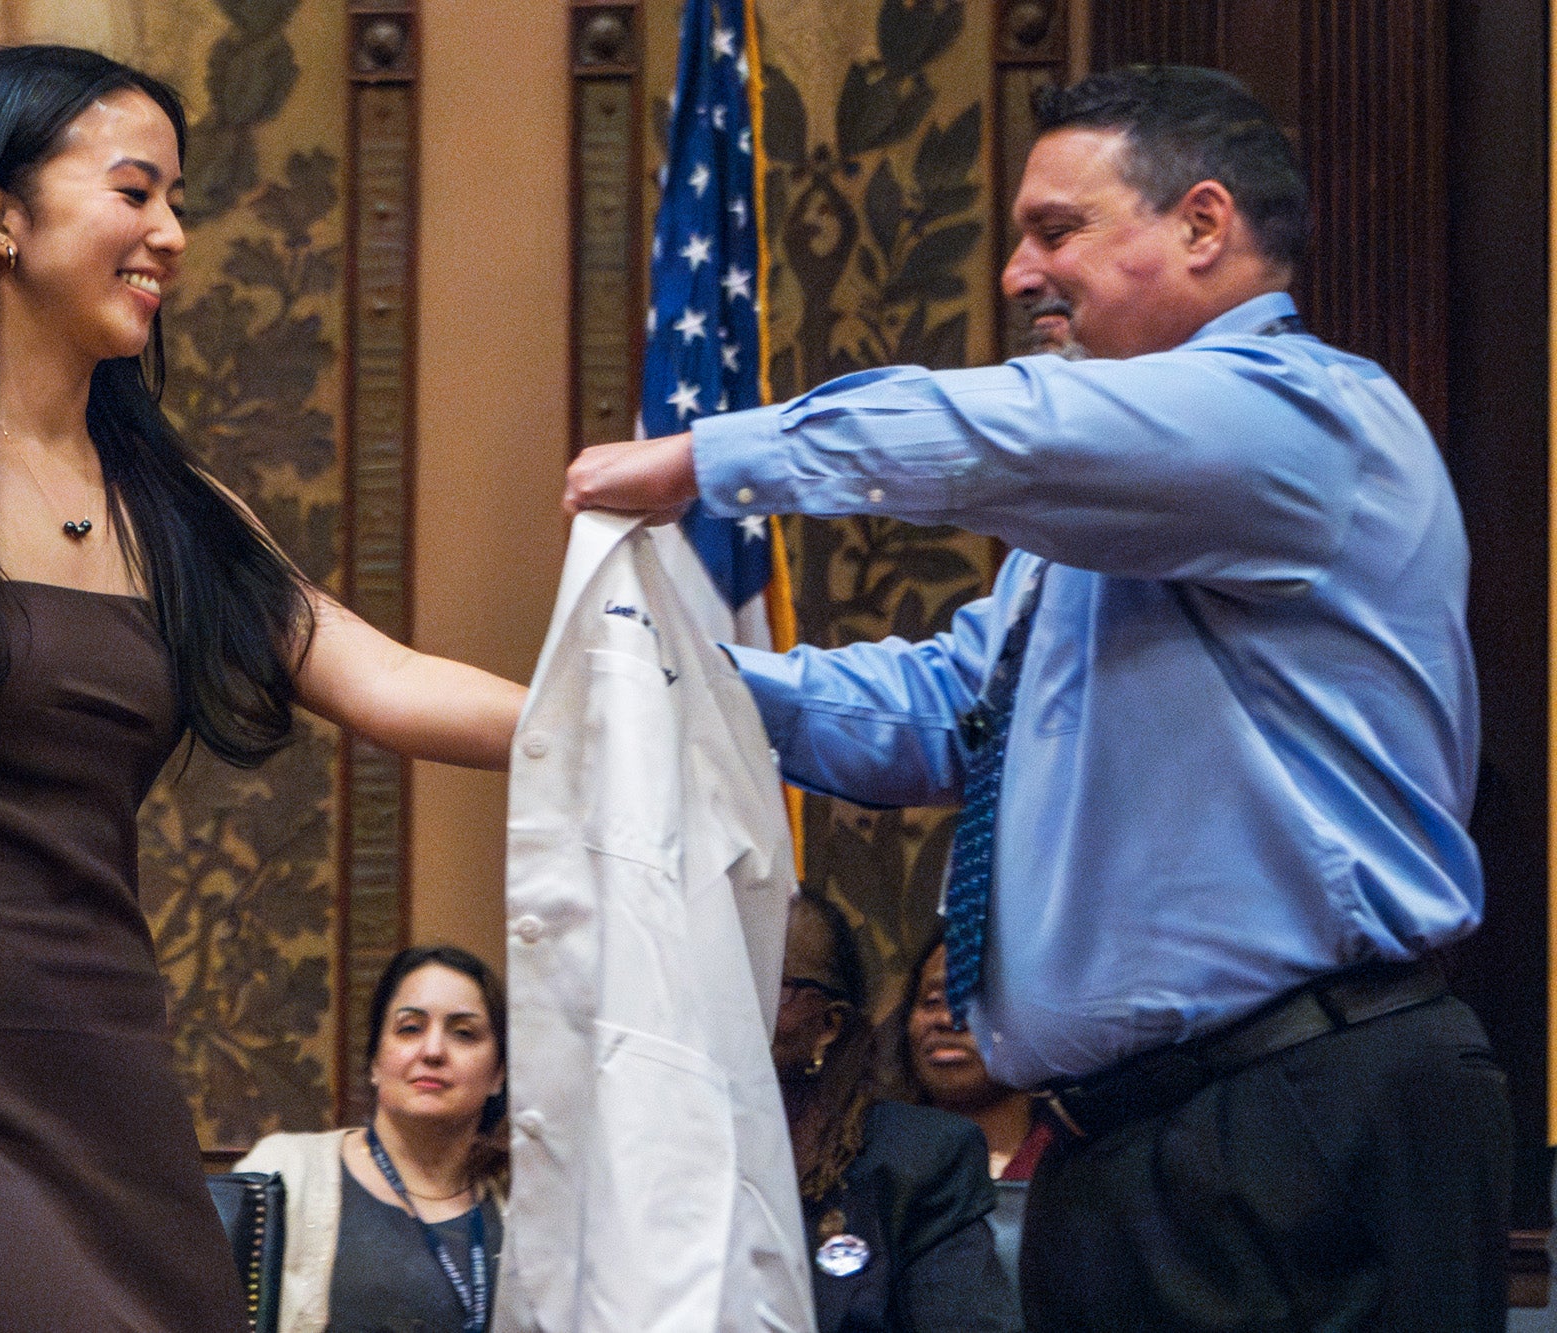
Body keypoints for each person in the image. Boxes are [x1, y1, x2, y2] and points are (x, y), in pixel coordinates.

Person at [565, 64, 1511, 1332]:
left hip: (1299, 1112)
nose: (1014, 273)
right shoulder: (1106, 524)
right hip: (1133, 1145)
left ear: (1201, 224)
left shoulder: (1300, 420)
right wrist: (676, 679)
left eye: (1055, 230)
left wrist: (707, 461)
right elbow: (945, 711)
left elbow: (1004, 431)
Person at [0, 46, 524, 1330]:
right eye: (136, 192)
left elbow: (392, 684)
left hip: (106, 1074)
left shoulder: (179, 513)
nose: (171, 235)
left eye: (177, 201)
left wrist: (655, 716)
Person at [776, 896, 1017, 1333]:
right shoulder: (654, 1151)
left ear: (829, 1025)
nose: (741, 1004)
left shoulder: (919, 1161)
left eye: (775, 986)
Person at [238, 945, 508, 1333]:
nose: (432, 1051)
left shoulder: (523, 1209)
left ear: (498, 1073)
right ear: (376, 1061)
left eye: (463, 1033)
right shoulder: (285, 1174)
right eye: (410, 1028)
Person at [895, 932, 1048, 1182]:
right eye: (933, 1001)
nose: (947, 1019)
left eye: (978, 1000)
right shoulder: (875, 1163)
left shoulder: (1080, 1164)